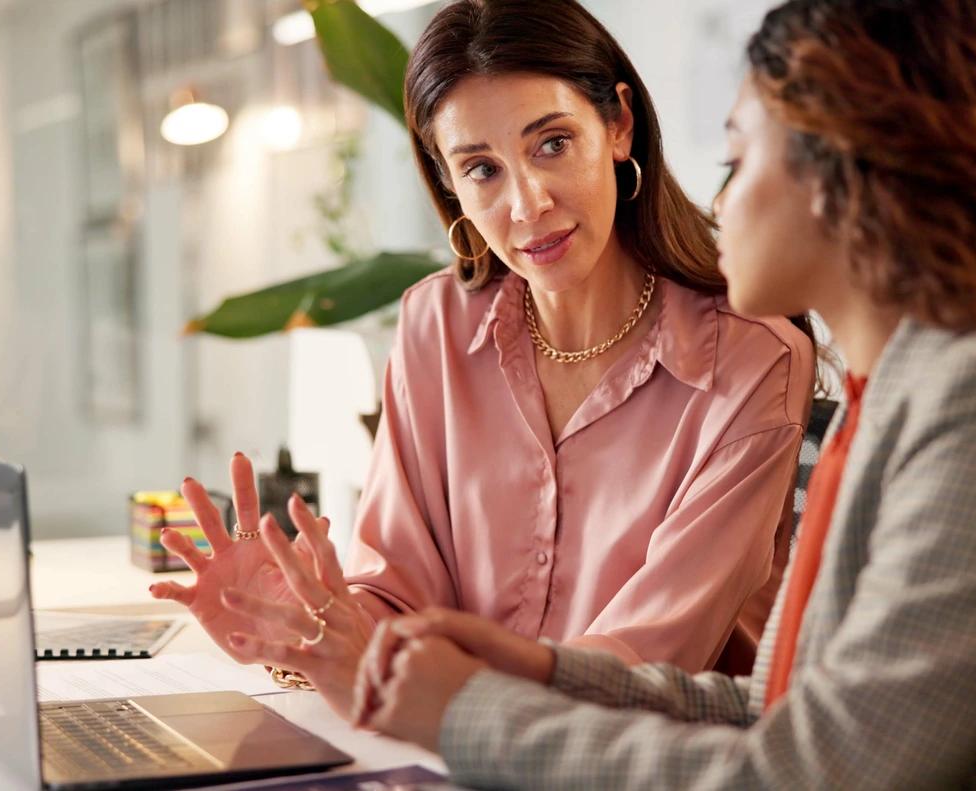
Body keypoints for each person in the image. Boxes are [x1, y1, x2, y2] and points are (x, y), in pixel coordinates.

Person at [346, 0, 976, 787]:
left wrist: (468, 715)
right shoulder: (907, 386)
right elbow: (783, 708)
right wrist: (538, 670)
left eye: (739, 157)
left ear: (851, 173)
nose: (720, 201)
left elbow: (814, 768)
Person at [149, 0, 818, 717]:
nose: (527, 205)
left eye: (553, 143)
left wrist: (435, 686)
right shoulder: (435, 325)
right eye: (481, 169)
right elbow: (397, 592)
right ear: (450, 183)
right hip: (444, 739)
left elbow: (647, 663)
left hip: (637, 755)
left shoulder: (752, 358)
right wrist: (311, 622)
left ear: (619, 124)